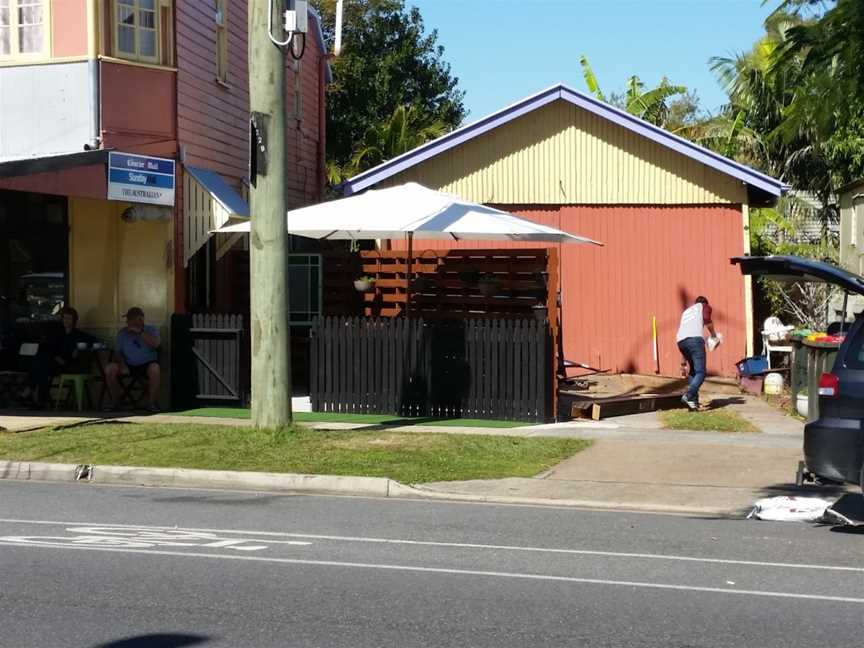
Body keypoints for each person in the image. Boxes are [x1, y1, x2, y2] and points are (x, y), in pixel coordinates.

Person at [25, 307, 97, 408]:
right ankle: (39, 399)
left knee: (41, 365)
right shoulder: (57, 333)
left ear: (74, 320)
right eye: (64, 318)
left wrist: (77, 350)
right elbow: (49, 348)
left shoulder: (78, 335)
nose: (66, 321)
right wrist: (56, 357)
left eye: (69, 318)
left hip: (68, 365)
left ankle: (30, 392)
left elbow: (92, 340)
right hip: (54, 363)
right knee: (42, 365)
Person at [105, 307, 161, 412]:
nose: (127, 322)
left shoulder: (151, 329)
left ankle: (151, 403)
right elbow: (118, 353)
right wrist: (122, 364)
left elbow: (156, 344)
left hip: (146, 364)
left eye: (130, 319)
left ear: (140, 320)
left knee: (155, 369)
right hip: (128, 364)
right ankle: (115, 401)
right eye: (128, 319)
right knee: (110, 369)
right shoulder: (123, 333)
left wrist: (140, 332)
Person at [676, 296, 718, 411]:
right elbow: (707, 319)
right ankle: (689, 395)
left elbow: (685, 335)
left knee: (693, 371)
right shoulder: (704, 306)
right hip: (695, 340)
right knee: (701, 372)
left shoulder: (686, 312)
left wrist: (683, 360)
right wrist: (714, 335)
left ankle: (693, 402)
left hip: (680, 341)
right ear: (704, 303)